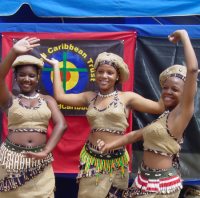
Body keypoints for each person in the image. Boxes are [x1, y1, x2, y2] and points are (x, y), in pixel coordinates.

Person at [42, 49, 165, 198]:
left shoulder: (127, 98)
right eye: (100, 72)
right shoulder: (90, 97)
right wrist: (56, 67)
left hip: (117, 162)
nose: (104, 76)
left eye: (109, 72)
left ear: (117, 76)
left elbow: (159, 107)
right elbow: (60, 97)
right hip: (92, 159)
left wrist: (173, 85)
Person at [97, 29, 198, 198]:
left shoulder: (182, 114)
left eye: (175, 89)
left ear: (186, 93)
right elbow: (136, 135)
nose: (168, 92)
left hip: (162, 187)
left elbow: (193, 70)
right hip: (143, 180)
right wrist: (109, 145)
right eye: (165, 88)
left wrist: (183, 35)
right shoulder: (164, 117)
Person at [0, 37, 67, 198]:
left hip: (39, 163)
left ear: (38, 78)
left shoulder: (48, 100)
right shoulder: (9, 100)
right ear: (15, 77)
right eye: (22, 75)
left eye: (31, 76)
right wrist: (13, 52)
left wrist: (46, 151)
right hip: (12, 161)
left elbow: (62, 125)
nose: (26, 79)